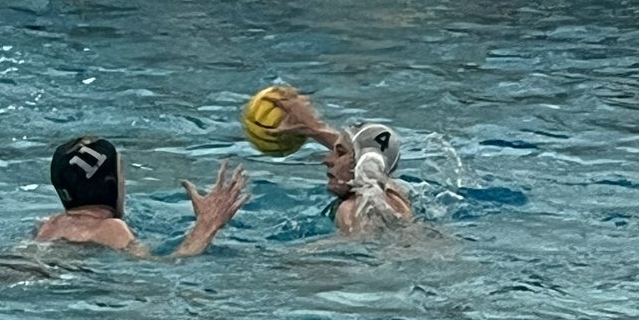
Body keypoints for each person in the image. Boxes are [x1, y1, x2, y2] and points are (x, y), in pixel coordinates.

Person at [36, 135, 249, 257]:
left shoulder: (48, 225)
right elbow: (165, 267)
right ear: (110, 183)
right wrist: (207, 225)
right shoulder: (111, 229)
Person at [270, 90, 412, 236]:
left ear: (360, 164)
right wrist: (314, 128)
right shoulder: (397, 195)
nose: (327, 160)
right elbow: (361, 152)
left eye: (340, 153)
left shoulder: (353, 211)